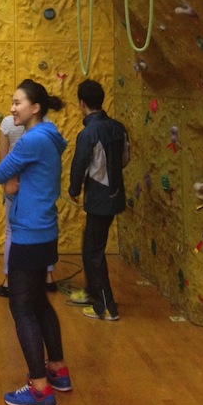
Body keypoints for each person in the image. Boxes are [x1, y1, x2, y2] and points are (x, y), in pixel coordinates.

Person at [0, 79, 71, 405]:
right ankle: (57, 370)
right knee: (39, 301)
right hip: (45, 230)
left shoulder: (30, 141)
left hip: (28, 232)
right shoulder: (50, 135)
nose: (12, 109)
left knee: (21, 307)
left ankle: (39, 388)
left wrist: (10, 185)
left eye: (17, 103)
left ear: (35, 108)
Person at [68, 79, 130, 321]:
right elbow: (125, 159)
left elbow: (80, 165)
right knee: (91, 245)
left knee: (93, 251)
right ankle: (93, 292)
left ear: (82, 103)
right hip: (115, 195)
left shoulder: (89, 133)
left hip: (99, 198)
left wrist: (74, 188)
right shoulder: (118, 127)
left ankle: (106, 306)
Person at [0, 113, 57, 298]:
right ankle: (48, 276)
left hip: (16, 183)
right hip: (39, 186)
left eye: (18, 102)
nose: (14, 108)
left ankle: (9, 280)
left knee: (12, 231)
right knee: (44, 227)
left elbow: (3, 159)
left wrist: (6, 184)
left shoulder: (8, 123)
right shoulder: (47, 125)